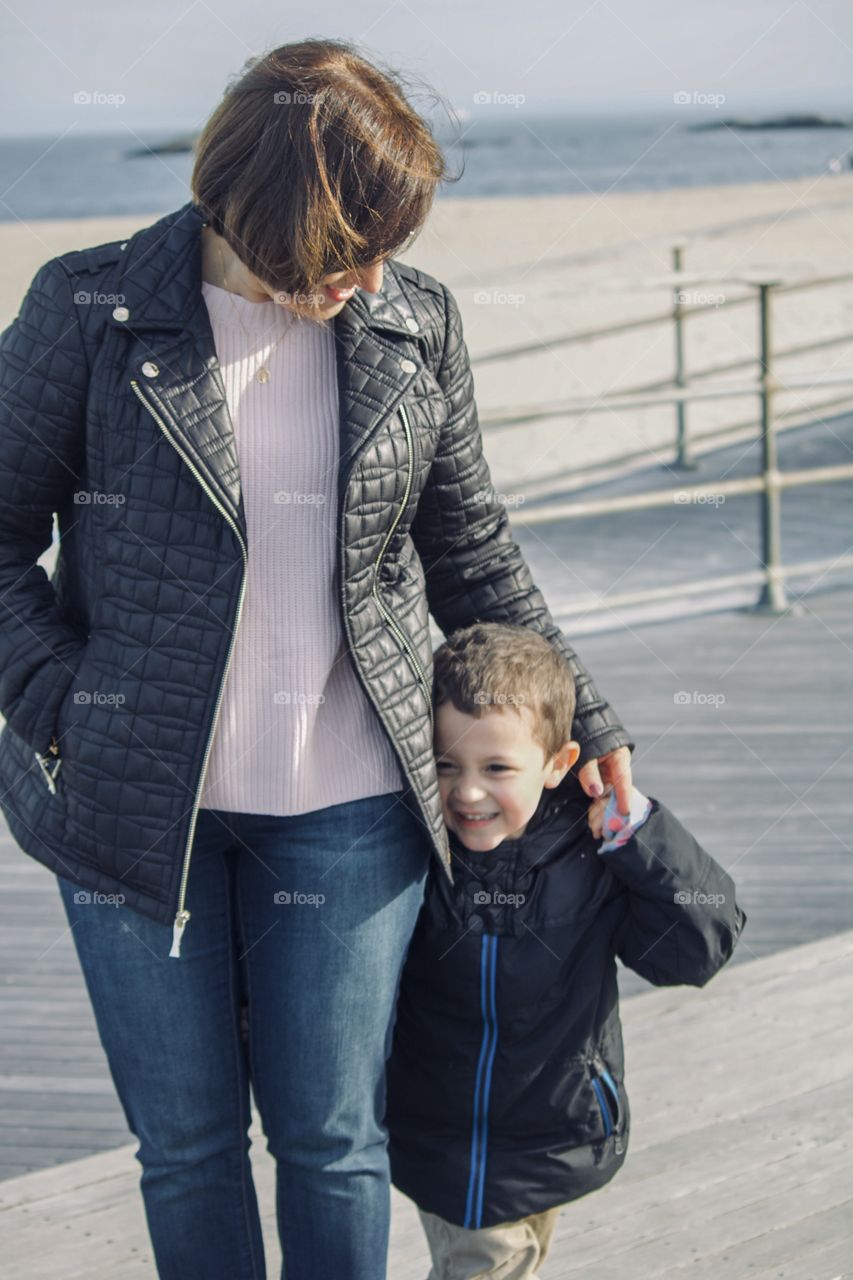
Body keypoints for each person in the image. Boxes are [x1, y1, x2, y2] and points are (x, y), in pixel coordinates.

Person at [0, 38, 638, 1280]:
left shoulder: (411, 322)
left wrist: (592, 717)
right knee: (185, 1146)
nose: (369, 274)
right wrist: (60, 701)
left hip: (351, 811)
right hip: (138, 814)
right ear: (261, 204)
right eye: (349, 243)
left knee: (332, 1140)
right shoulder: (87, 308)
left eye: (389, 243)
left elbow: (473, 555)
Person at [385, 621, 747, 1279]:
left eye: (496, 768)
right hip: (444, 1140)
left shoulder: (588, 857)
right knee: (488, 1263)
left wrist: (636, 834)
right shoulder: (411, 852)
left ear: (557, 763)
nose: (466, 792)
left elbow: (696, 950)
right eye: (445, 765)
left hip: (555, 1127)